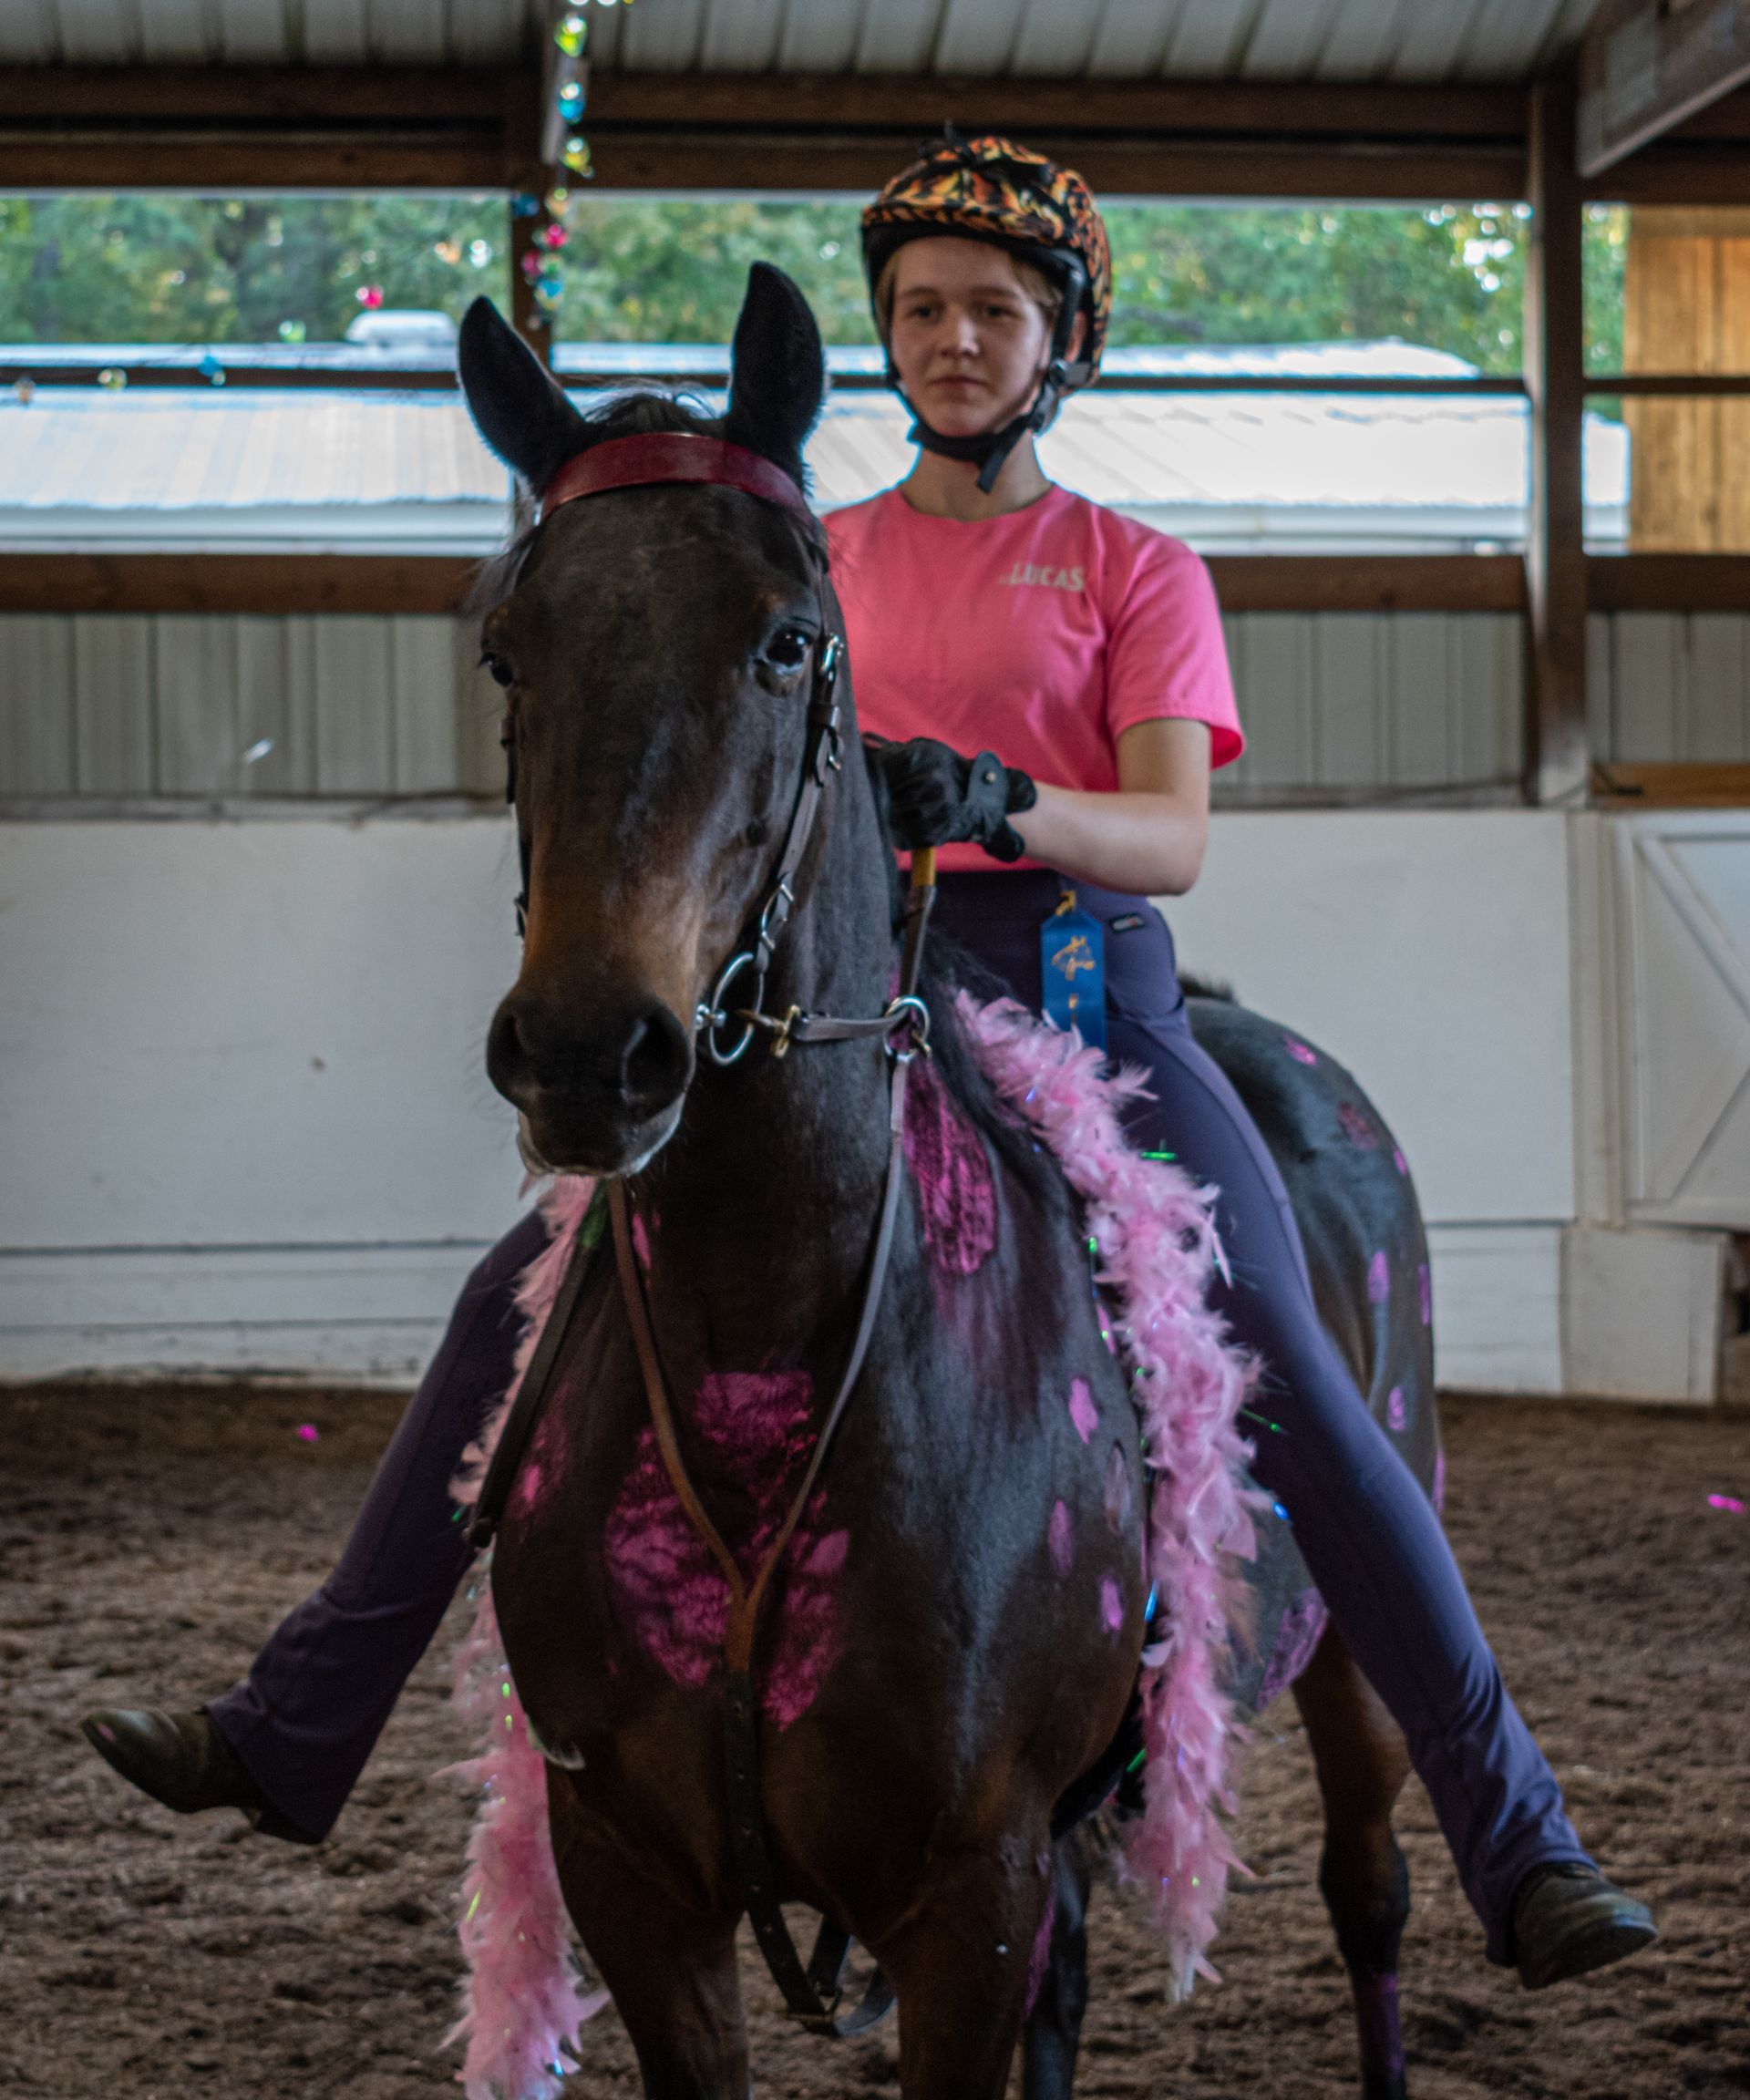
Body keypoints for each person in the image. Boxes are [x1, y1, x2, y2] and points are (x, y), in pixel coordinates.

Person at [85, 135, 1654, 1991]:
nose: (953, 340)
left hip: (1090, 994)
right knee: (522, 1309)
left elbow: (1174, 836)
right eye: (921, 309)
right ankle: (299, 1719)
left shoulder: (1132, 566)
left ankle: (1513, 1823)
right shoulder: (802, 561)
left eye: (994, 310)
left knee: (1296, 1365)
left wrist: (1004, 801)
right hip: (852, 1007)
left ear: (1062, 340)